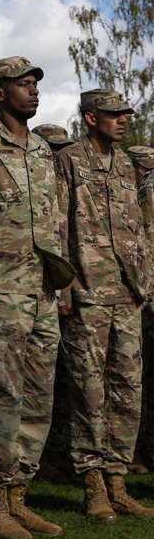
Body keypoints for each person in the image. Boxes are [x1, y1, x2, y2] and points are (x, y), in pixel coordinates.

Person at [0, 57, 74, 539]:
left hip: (42, 294)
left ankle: (19, 497)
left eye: (34, 85)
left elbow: (56, 223)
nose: (33, 91)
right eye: (22, 85)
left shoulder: (44, 151)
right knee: (0, 399)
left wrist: (61, 286)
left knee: (38, 400)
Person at [57, 90, 154, 522]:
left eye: (125, 114)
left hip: (127, 294)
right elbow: (57, 227)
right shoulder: (69, 161)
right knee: (89, 392)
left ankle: (118, 481)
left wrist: (145, 284)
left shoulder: (128, 167)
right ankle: (92, 484)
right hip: (88, 293)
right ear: (91, 117)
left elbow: (139, 228)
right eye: (114, 114)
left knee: (127, 392)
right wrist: (63, 289)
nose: (122, 120)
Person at [31, 124, 76, 485]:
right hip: (12, 294)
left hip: (52, 291)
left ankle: (50, 455)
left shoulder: (54, 176)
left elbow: (60, 236)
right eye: (54, 148)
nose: (60, 154)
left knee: (51, 389)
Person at [126, 146, 154, 474]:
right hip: (148, 295)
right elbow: (141, 240)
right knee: (141, 379)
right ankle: (136, 449)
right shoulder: (150, 188)